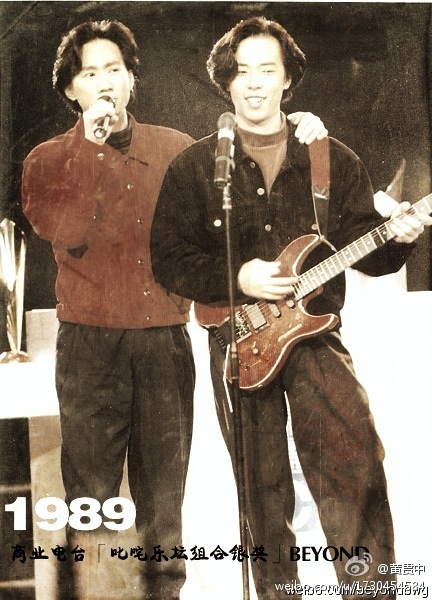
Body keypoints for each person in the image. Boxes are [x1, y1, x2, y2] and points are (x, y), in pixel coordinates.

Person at [21, 19, 327, 599]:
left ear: (131, 79)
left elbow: (242, 205)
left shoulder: (176, 149)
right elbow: (68, 229)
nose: (105, 83)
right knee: (91, 502)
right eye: (90, 73)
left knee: (164, 503)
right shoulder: (46, 160)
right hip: (89, 347)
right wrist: (90, 146)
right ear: (70, 89)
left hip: (164, 341)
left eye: (115, 70)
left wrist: (299, 130)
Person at [150, 16, 432, 600]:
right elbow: (169, 260)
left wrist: (401, 236)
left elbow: (372, 252)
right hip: (238, 339)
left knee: (355, 465)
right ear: (226, 81)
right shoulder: (196, 167)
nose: (254, 83)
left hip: (316, 337)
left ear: (288, 79)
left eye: (267, 69)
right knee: (262, 490)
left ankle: (372, 592)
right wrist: (238, 277)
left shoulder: (331, 159)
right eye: (242, 71)